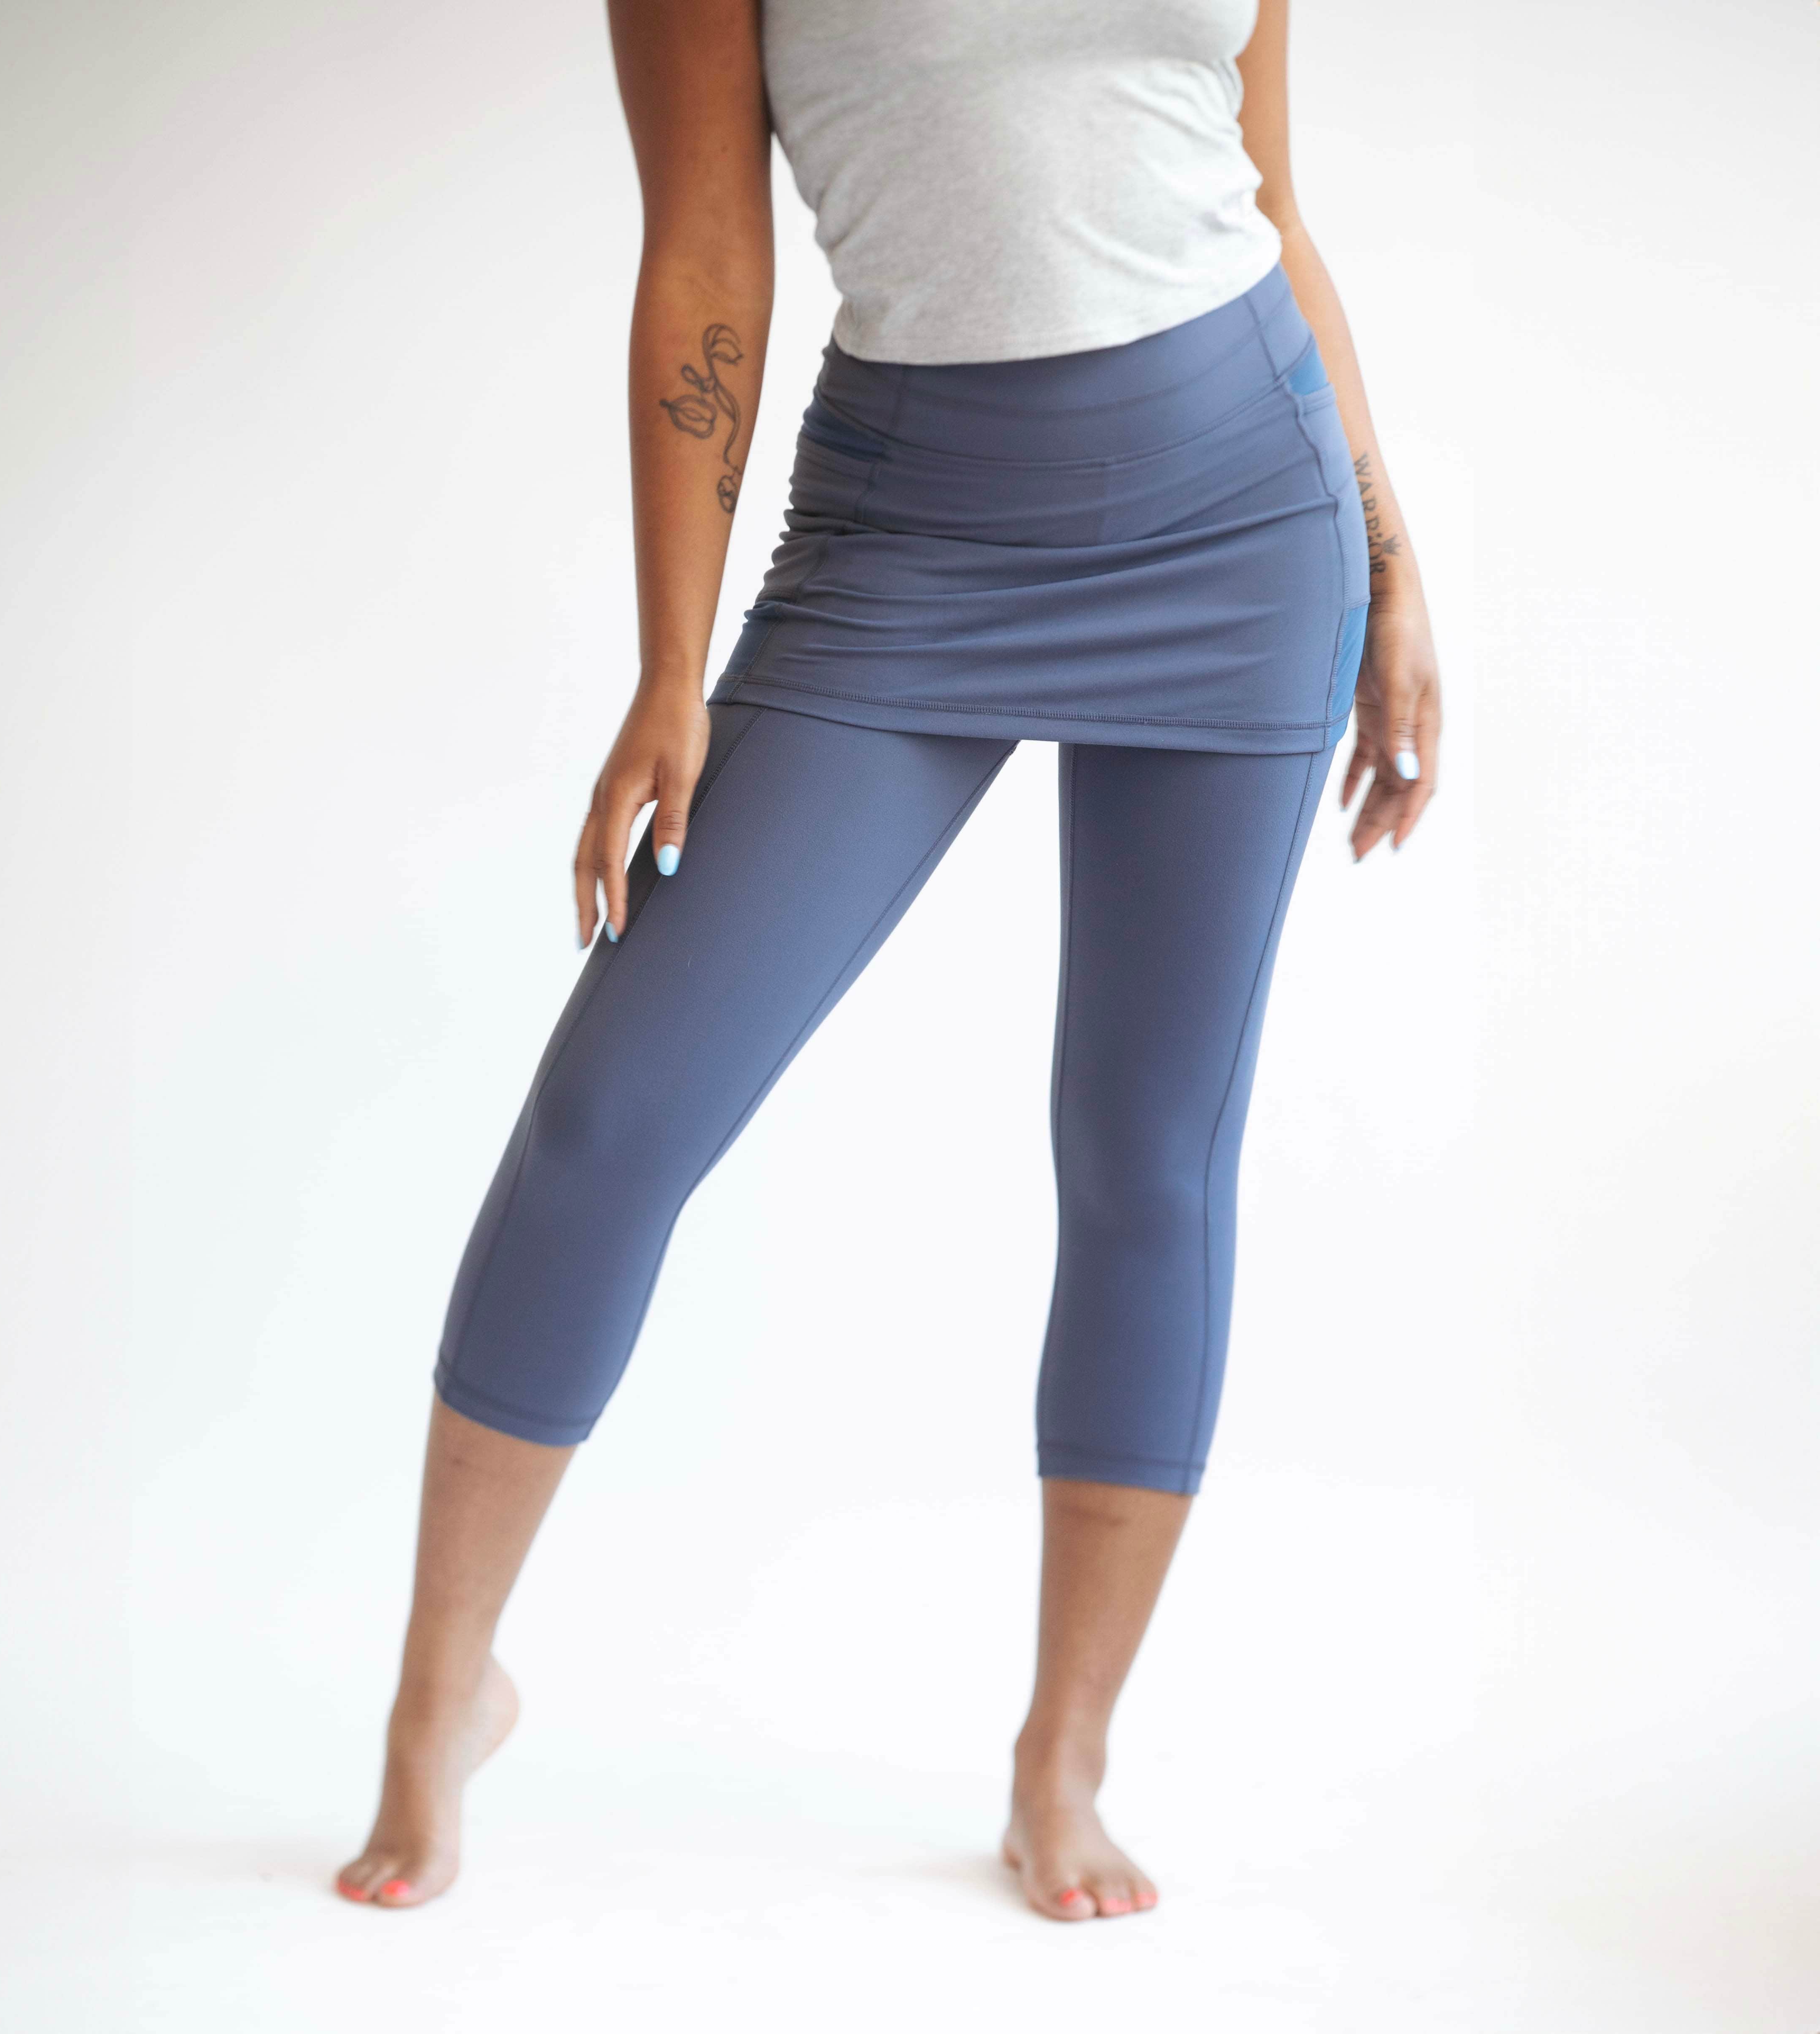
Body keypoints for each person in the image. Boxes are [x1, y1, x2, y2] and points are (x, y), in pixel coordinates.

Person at [336, 0, 1440, 1922]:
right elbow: (702, 239)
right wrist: (670, 668)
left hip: (1250, 518)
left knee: (1143, 1153)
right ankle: (444, 1691)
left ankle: (1062, 1753)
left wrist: (1395, 562)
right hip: (909, 536)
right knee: (617, 1110)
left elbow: (1264, 192)